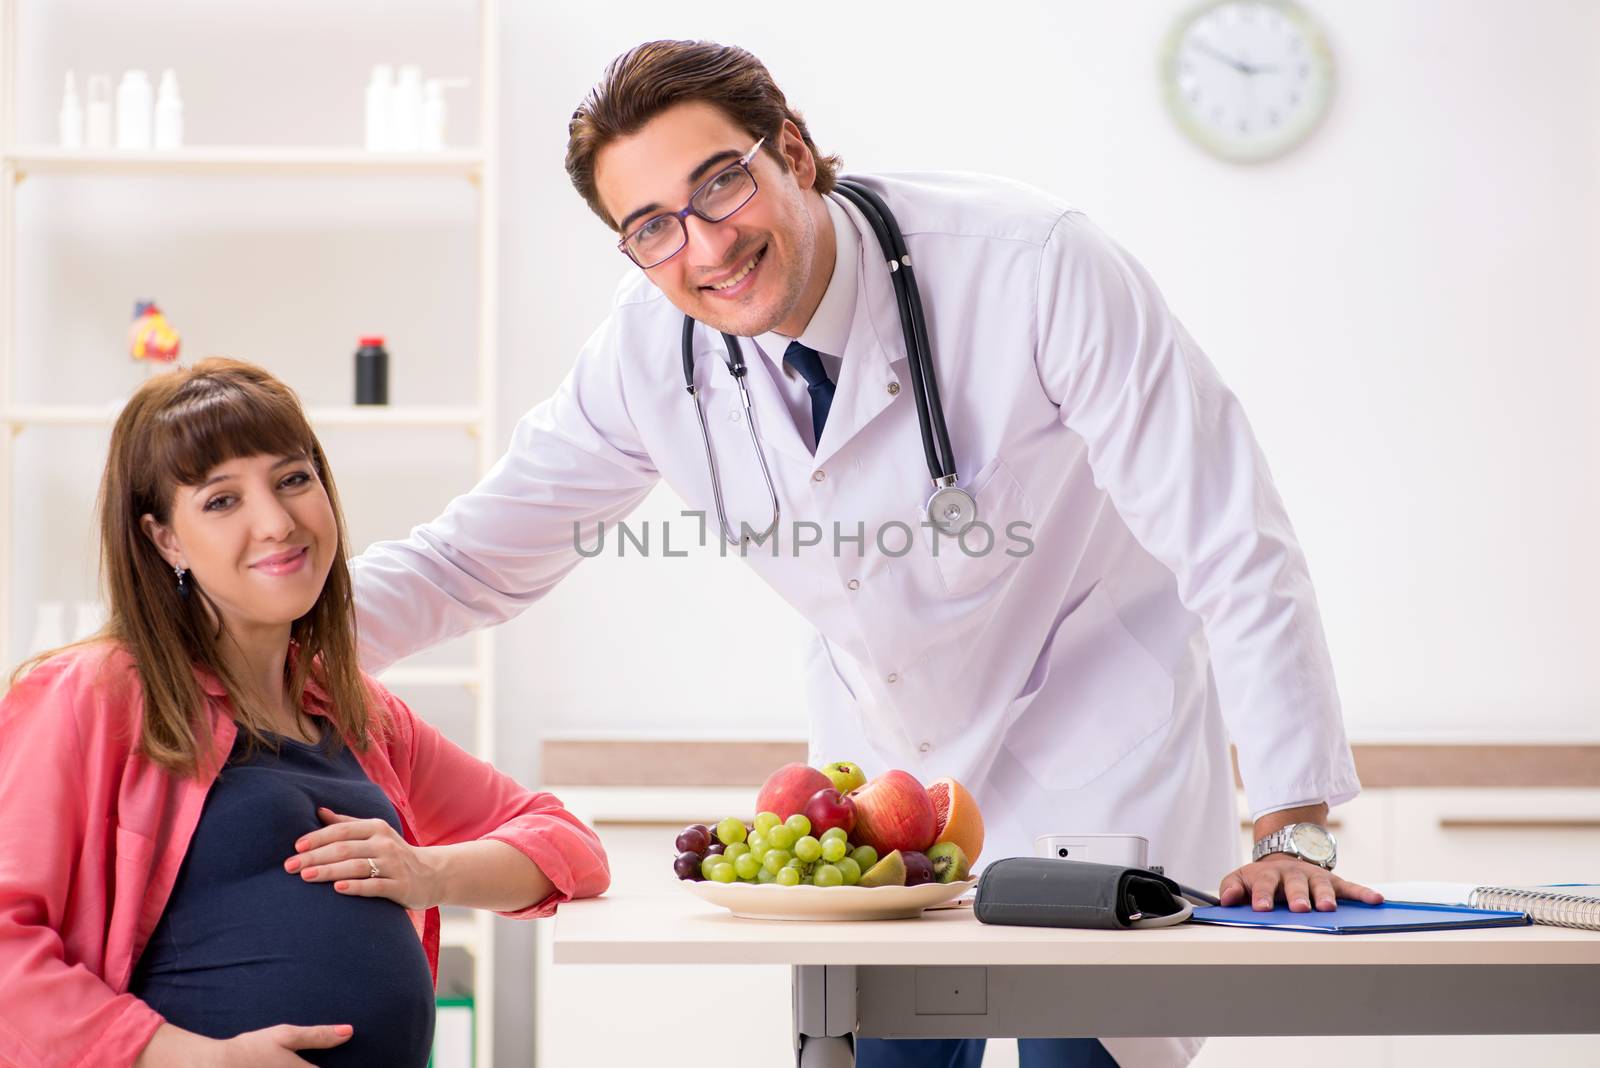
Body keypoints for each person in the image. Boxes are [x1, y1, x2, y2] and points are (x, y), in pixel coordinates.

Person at [348, 40, 1381, 1068]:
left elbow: (1228, 535)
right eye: (652, 227)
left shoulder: (1030, 266)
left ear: (791, 153)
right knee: (878, 1051)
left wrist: (1292, 820)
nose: (702, 248)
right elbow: (468, 560)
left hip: (1095, 747)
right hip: (884, 777)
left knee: (1081, 1050)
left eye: (719, 186)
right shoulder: (646, 353)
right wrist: (240, 641)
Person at [0, 359, 610, 1068]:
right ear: (165, 539)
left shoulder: (360, 712)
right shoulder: (95, 694)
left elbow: (567, 845)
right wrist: (202, 1059)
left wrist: (429, 872)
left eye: (293, 479)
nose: (277, 522)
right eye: (221, 501)